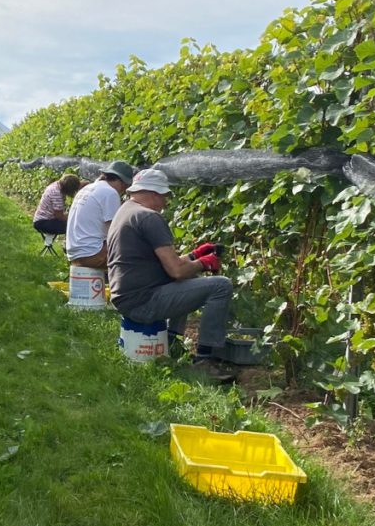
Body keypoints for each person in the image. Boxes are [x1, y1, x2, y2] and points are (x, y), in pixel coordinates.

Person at [106, 168, 236, 383]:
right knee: (221, 286)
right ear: (154, 193)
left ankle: (171, 343)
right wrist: (204, 263)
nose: (165, 202)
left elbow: (166, 263)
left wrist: (194, 255)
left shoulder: (126, 210)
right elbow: (176, 271)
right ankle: (205, 360)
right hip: (142, 303)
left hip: (126, 297)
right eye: (164, 196)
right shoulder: (149, 218)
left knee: (188, 279)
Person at [64, 160, 133, 269]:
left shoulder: (88, 188)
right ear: (121, 182)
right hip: (93, 254)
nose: (124, 191)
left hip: (74, 253)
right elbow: (113, 231)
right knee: (136, 257)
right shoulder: (110, 193)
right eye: (126, 186)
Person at [32, 173, 81, 238]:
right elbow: (59, 216)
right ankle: (70, 243)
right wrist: (74, 217)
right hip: (43, 222)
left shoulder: (57, 184)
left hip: (43, 219)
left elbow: (78, 184)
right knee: (74, 226)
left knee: (72, 223)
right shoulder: (57, 194)